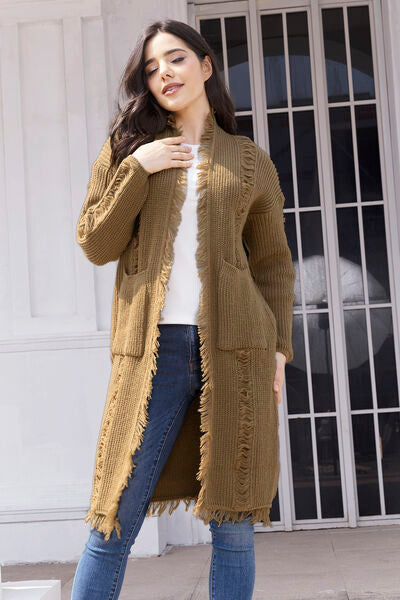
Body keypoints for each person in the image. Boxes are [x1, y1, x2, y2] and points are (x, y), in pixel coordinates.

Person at [71, 17, 295, 600]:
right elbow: (95, 242)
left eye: (175, 59)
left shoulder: (249, 160)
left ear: (205, 65)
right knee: (114, 514)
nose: (164, 73)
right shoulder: (129, 150)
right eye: (151, 68)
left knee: (233, 526)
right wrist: (138, 168)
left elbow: (273, 265)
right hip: (154, 352)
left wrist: (278, 348)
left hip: (239, 349)